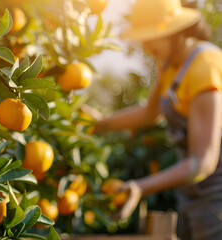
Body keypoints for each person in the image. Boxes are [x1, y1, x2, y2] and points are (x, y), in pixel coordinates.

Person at [93, 0, 222, 239]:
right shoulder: (168, 63)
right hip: (191, 191)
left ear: (176, 30)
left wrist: (140, 187)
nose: (145, 44)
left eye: (152, 35)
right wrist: (100, 124)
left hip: (217, 195)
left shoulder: (205, 68)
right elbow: (150, 113)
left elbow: (203, 162)